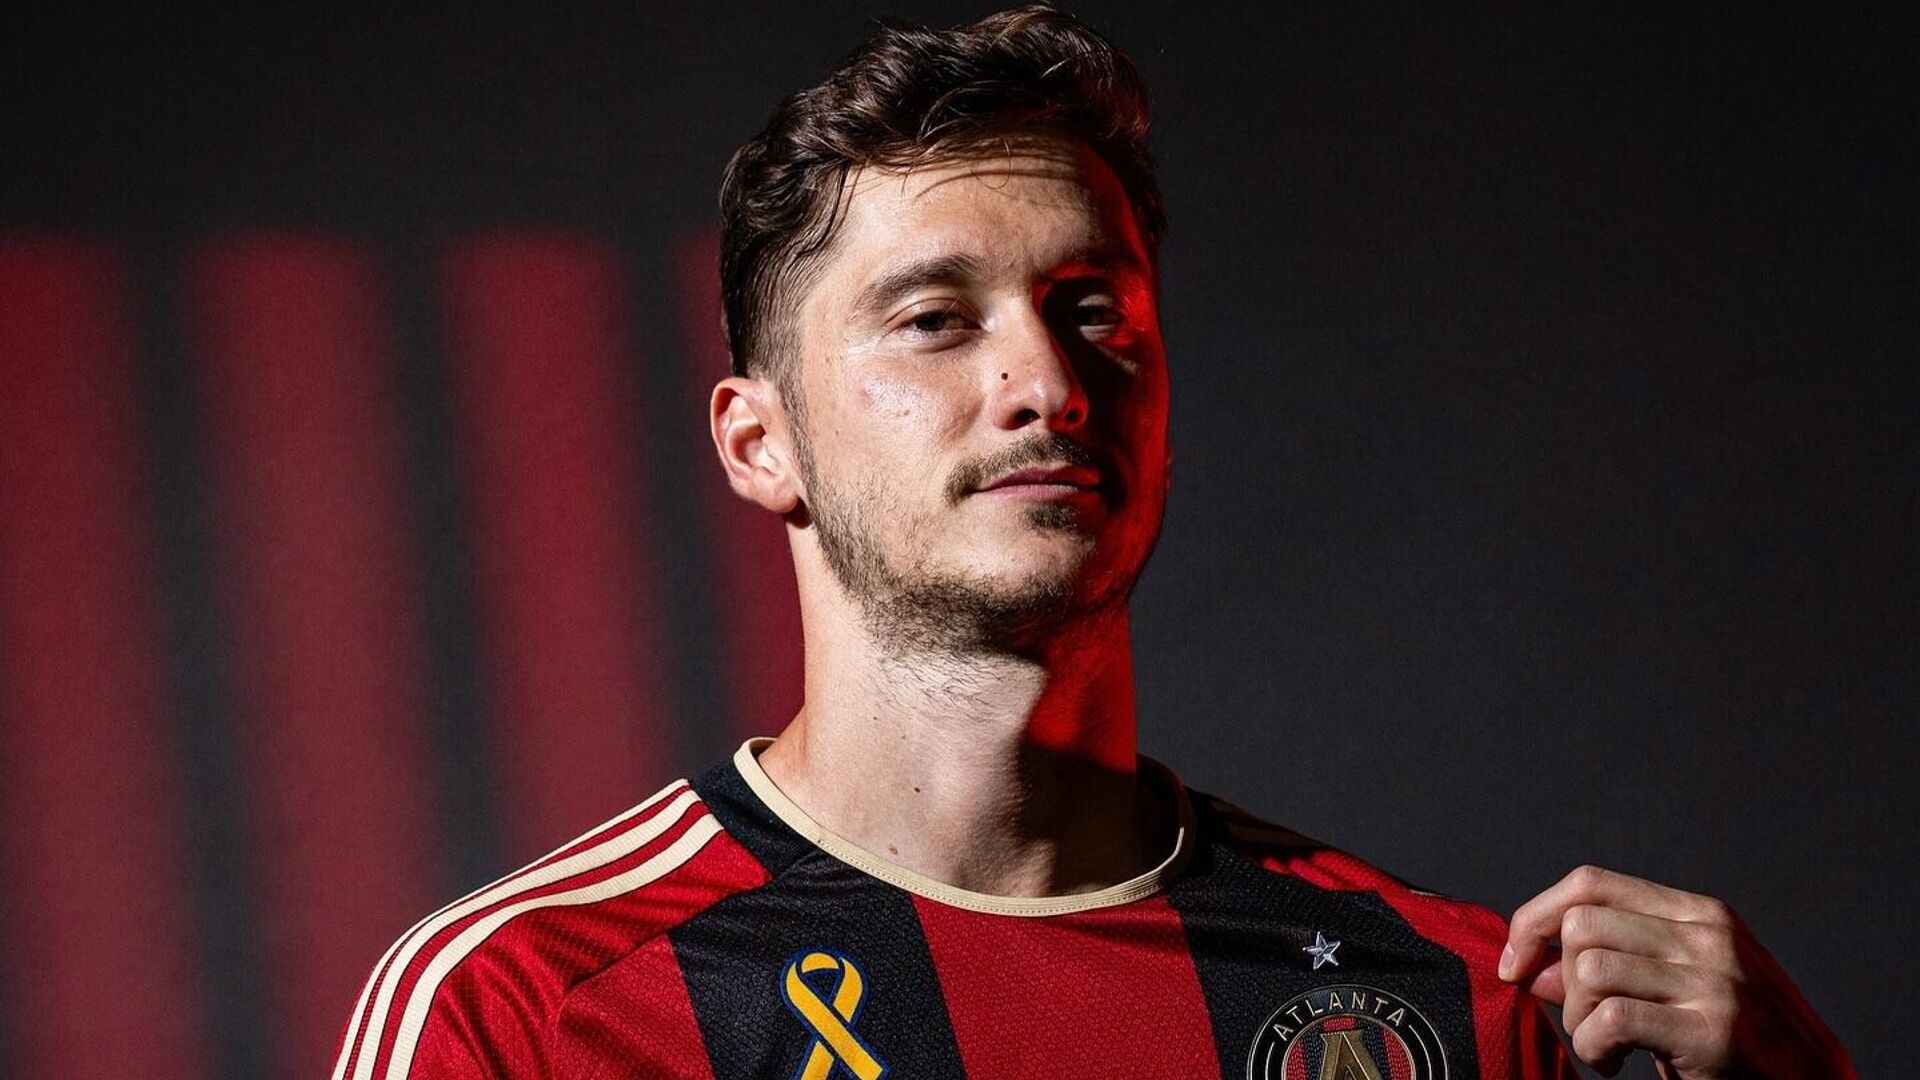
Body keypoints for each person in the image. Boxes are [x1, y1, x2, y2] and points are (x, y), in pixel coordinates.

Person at [331, 7, 1852, 1078]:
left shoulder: (1442, 1004)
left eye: (1094, 312)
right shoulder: (526, 1014)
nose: (1047, 384)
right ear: (758, 443)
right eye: (937, 319)